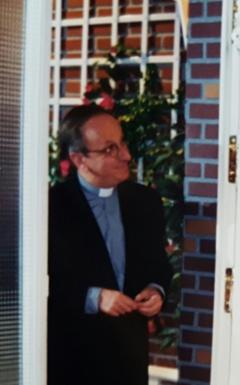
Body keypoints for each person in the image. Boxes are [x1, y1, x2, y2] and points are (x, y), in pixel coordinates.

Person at [48, 104, 173, 385]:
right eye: (110, 150)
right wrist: (94, 297)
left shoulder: (146, 202)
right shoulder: (49, 208)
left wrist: (157, 290)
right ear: (79, 159)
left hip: (129, 359)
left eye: (122, 144)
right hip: (71, 360)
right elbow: (37, 285)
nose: (126, 155)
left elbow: (159, 265)